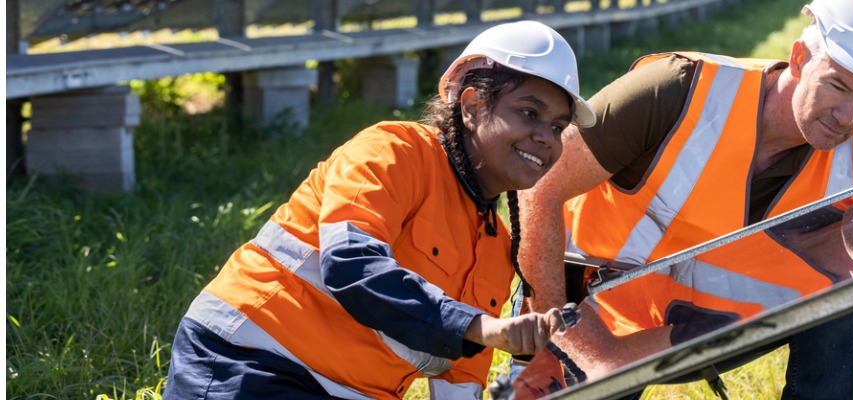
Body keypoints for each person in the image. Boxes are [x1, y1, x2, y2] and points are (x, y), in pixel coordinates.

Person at [163, 20, 597, 400]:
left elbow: (459, 380)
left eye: (558, 127)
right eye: (529, 112)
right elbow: (351, 265)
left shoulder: (494, 246)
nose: (546, 137)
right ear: (471, 107)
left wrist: (484, 333)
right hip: (248, 362)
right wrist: (482, 328)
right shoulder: (392, 152)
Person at [515, 0, 853, 397]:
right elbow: (538, 189)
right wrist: (576, 342)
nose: (846, 117)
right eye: (837, 86)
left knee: (850, 284)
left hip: (691, 325)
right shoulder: (677, 90)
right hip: (584, 307)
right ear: (800, 57)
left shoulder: (849, 172)